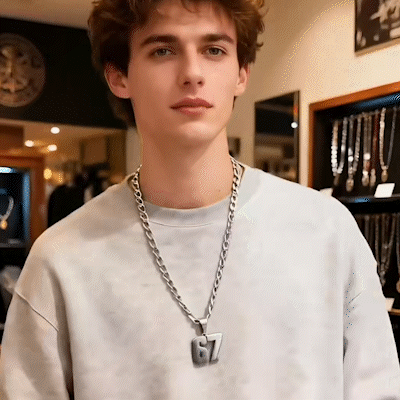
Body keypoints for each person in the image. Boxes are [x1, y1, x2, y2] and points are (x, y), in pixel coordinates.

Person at [0, 0, 399, 398]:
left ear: (241, 73)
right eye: (163, 50)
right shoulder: (62, 261)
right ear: (119, 76)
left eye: (214, 50)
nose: (192, 73)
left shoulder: (327, 233)